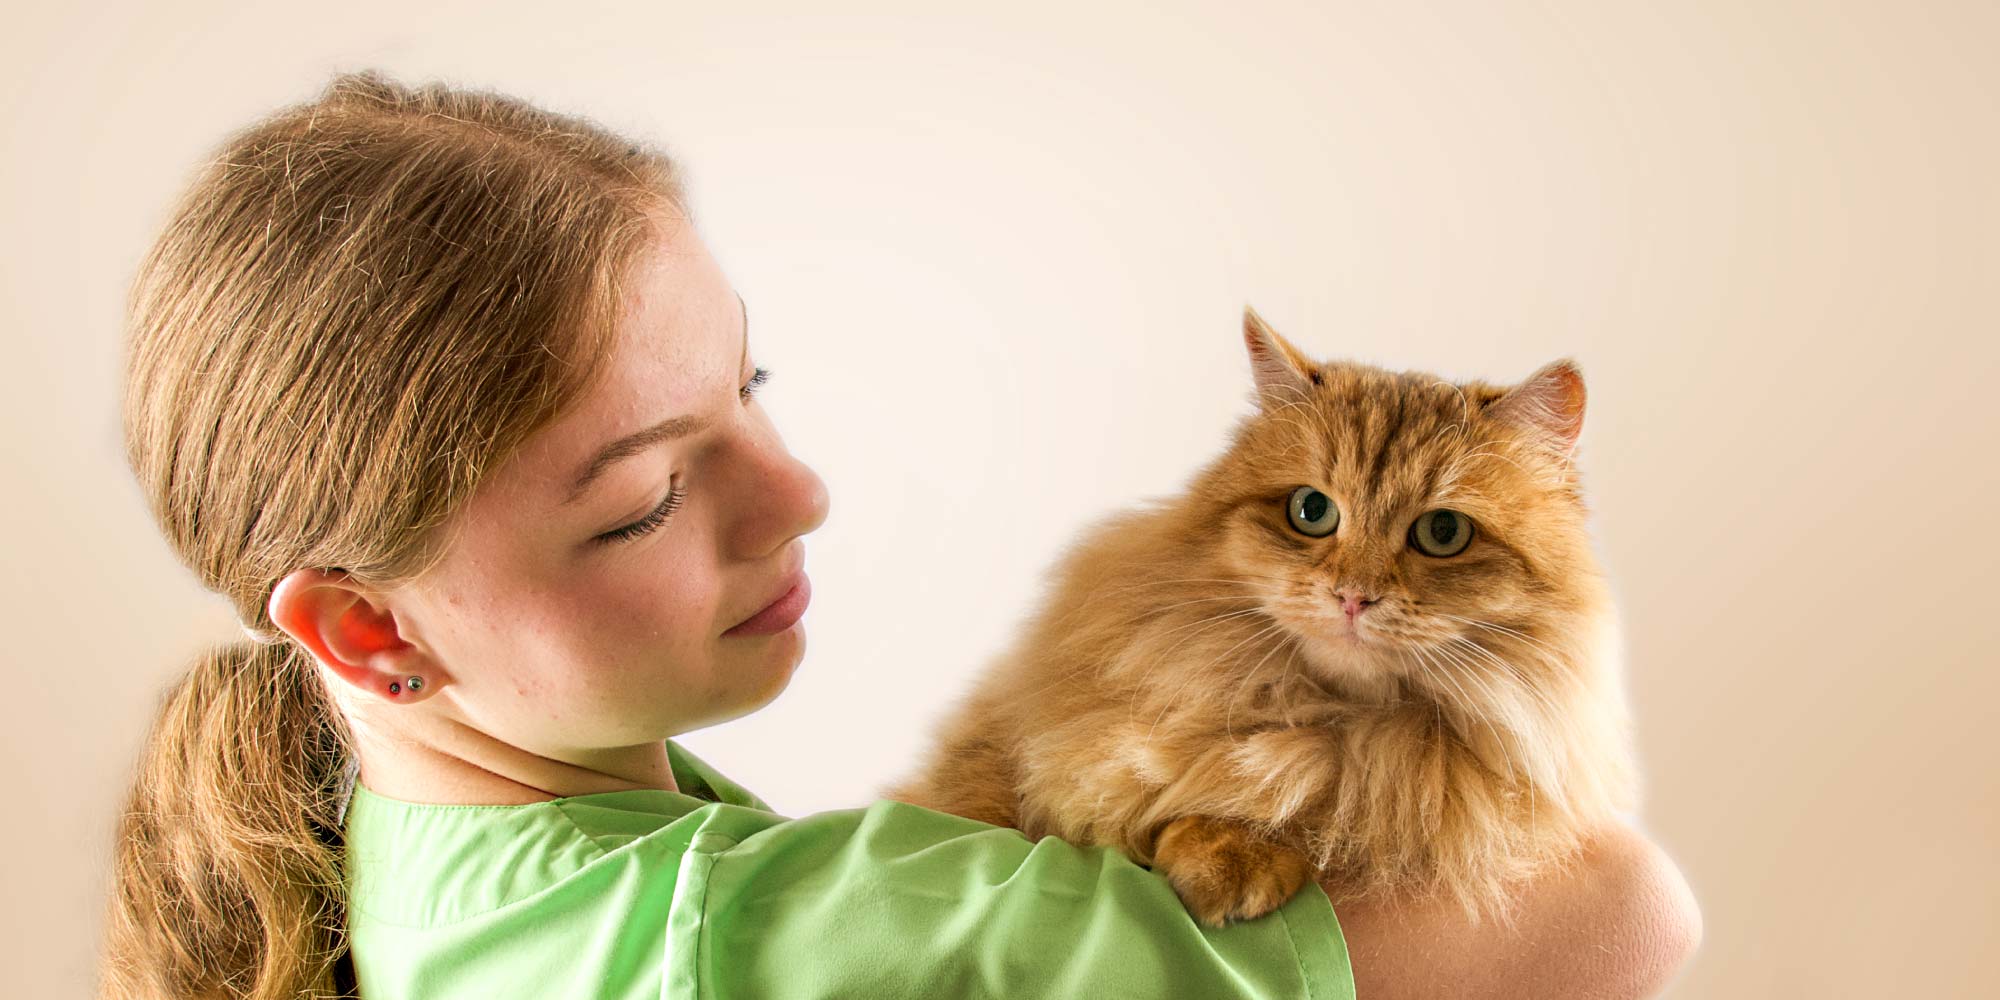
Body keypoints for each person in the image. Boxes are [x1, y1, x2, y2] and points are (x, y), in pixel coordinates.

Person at [98, 69, 1701, 999]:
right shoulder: (755, 940)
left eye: (753, 386)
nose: (801, 493)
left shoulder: (402, 853)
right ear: (369, 633)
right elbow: (1620, 907)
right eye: (650, 494)